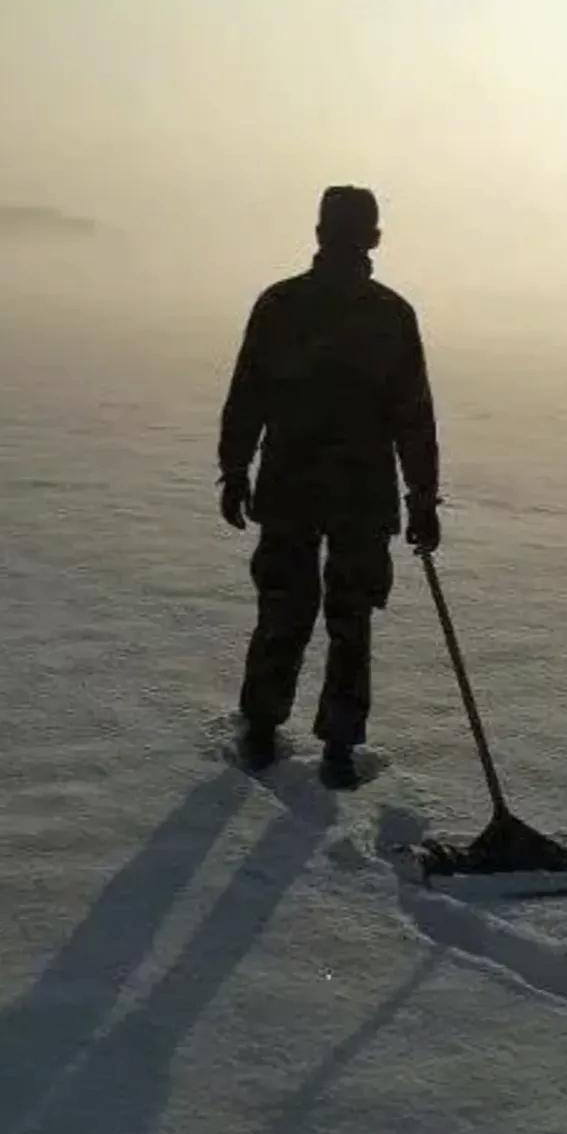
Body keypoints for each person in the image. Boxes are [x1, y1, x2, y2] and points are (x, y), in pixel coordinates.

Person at [218, 185, 441, 788]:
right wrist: (421, 496)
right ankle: (334, 741)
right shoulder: (388, 313)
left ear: (319, 233)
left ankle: (268, 727)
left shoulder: (283, 304)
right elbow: (413, 416)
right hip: (354, 492)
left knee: (289, 608)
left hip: (301, 485)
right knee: (346, 617)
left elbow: (248, 397)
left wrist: (235, 469)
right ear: (373, 238)